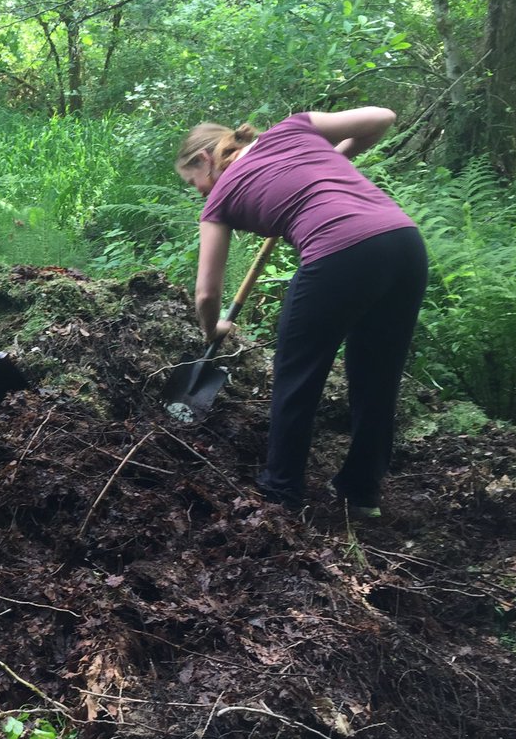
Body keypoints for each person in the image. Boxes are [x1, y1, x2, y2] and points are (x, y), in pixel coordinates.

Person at [175, 107, 428, 517]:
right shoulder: (296, 128)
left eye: (194, 183)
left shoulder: (219, 198)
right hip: (404, 244)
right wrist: (335, 158)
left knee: (298, 375)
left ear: (205, 159)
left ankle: (281, 493)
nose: (200, 192)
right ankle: (361, 492)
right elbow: (383, 117)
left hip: (340, 253)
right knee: (377, 376)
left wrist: (212, 329)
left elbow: (206, 294)